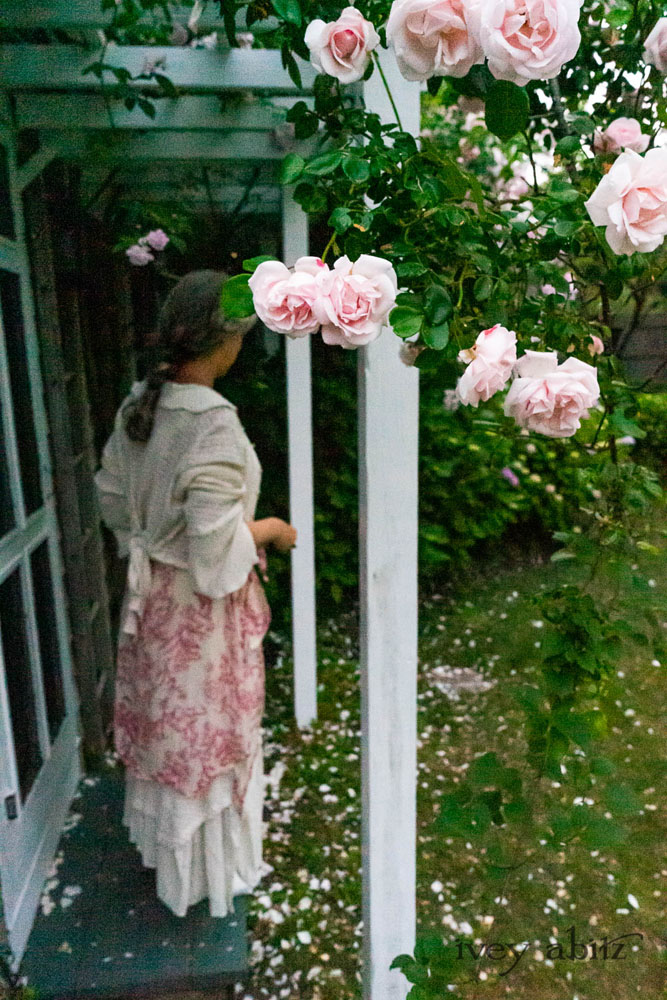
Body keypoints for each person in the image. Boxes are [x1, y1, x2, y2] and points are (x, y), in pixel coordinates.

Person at [94, 270, 296, 918]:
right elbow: (213, 553)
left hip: (151, 603)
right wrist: (269, 530)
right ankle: (205, 879)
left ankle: (174, 867)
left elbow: (111, 499)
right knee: (204, 737)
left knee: (167, 730)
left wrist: (149, 543)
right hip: (198, 617)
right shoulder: (212, 425)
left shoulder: (140, 404)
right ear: (228, 341)